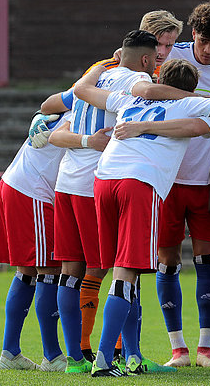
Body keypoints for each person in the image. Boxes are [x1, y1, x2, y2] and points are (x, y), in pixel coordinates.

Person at [72, 56, 210, 376]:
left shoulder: (128, 97)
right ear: (192, 86)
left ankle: (126, 356)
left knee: (119, 268)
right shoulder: (191, 105)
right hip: (138, 182)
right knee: (125, 273)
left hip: (103, 180)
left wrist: (100, 67)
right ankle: (103, 360)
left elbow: (82, 89)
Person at [46, 29, 180, 374]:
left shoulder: (96, 77)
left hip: (67, 182)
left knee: (70, 272)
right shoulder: (134, 81)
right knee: (125, 269)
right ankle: (128, 356)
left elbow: (51, 114)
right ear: (148, 60)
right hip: (100, 182)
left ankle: (76, 357)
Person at [155, 0, 210, 368]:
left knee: (208, 260)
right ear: (193, 35)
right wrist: (209, 98)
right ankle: (178, 349)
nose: (209, 50)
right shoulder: (171, 55)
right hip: (166, 181)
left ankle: (205, 349)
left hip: (205, 181)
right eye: (204, 41)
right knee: (167, 261)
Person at [0, 108, 71, 371]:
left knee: (27, 271)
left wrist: (39, 114)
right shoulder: (86, 106)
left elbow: (50, 104)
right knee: (49, 268)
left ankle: (10, 352)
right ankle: (52, 356)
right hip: (32, 189)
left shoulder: (77, 100)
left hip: (17, 182)